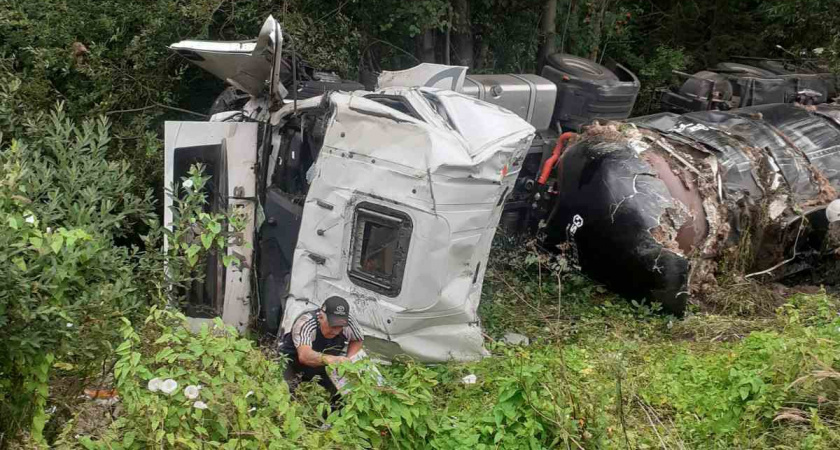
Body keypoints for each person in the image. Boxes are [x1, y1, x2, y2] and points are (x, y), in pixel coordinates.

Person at [278, 296, 364, 401]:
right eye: (332, 326)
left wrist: (350, 360)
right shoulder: (306, 322)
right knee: (284, 394)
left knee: (344, 393)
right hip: (291, 362)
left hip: (324, 366)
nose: (336, 331)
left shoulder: (349, 321)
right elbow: (305, 355)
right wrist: (334, 360)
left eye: (340, 326)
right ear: (321, 317)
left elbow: (357, 339)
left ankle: (330, 415)